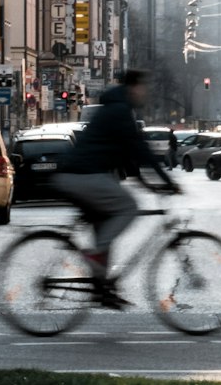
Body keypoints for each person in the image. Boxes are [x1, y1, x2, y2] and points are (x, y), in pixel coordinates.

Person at [54, 69, 179, 309]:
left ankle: (102, 291)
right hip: (82, 176)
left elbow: (127, 155)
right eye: (143, 88)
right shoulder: (120, 111)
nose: (145, 93)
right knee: (128, 207)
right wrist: (167, 182)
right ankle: (94, 257)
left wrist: (149, 184)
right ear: (133, 87)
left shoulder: (115, 108)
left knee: (105, 232)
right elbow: (140, 151)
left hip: (78, 174)